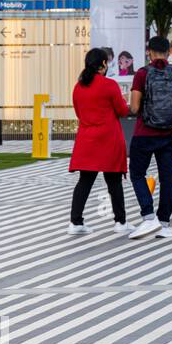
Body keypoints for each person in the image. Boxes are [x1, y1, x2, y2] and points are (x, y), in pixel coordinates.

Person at [128, 36, 172, 239]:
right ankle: (164, 223)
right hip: (169, 133)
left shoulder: (142, 73)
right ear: (168, 52)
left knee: (137, 174)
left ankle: (149, 217)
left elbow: (134, 107)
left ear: (149, 51)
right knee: (167, 179)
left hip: (144, 133)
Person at [67, 48, 131, 235]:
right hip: (109, 139)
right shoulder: (109, 85)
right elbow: (122, 111)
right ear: (103, 64)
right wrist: (125, 100)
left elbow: (79, 113)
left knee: (84, 182)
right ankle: (120, 223)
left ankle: (75, 222)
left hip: (87, 140)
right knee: (114, 182)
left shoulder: (78, 87)